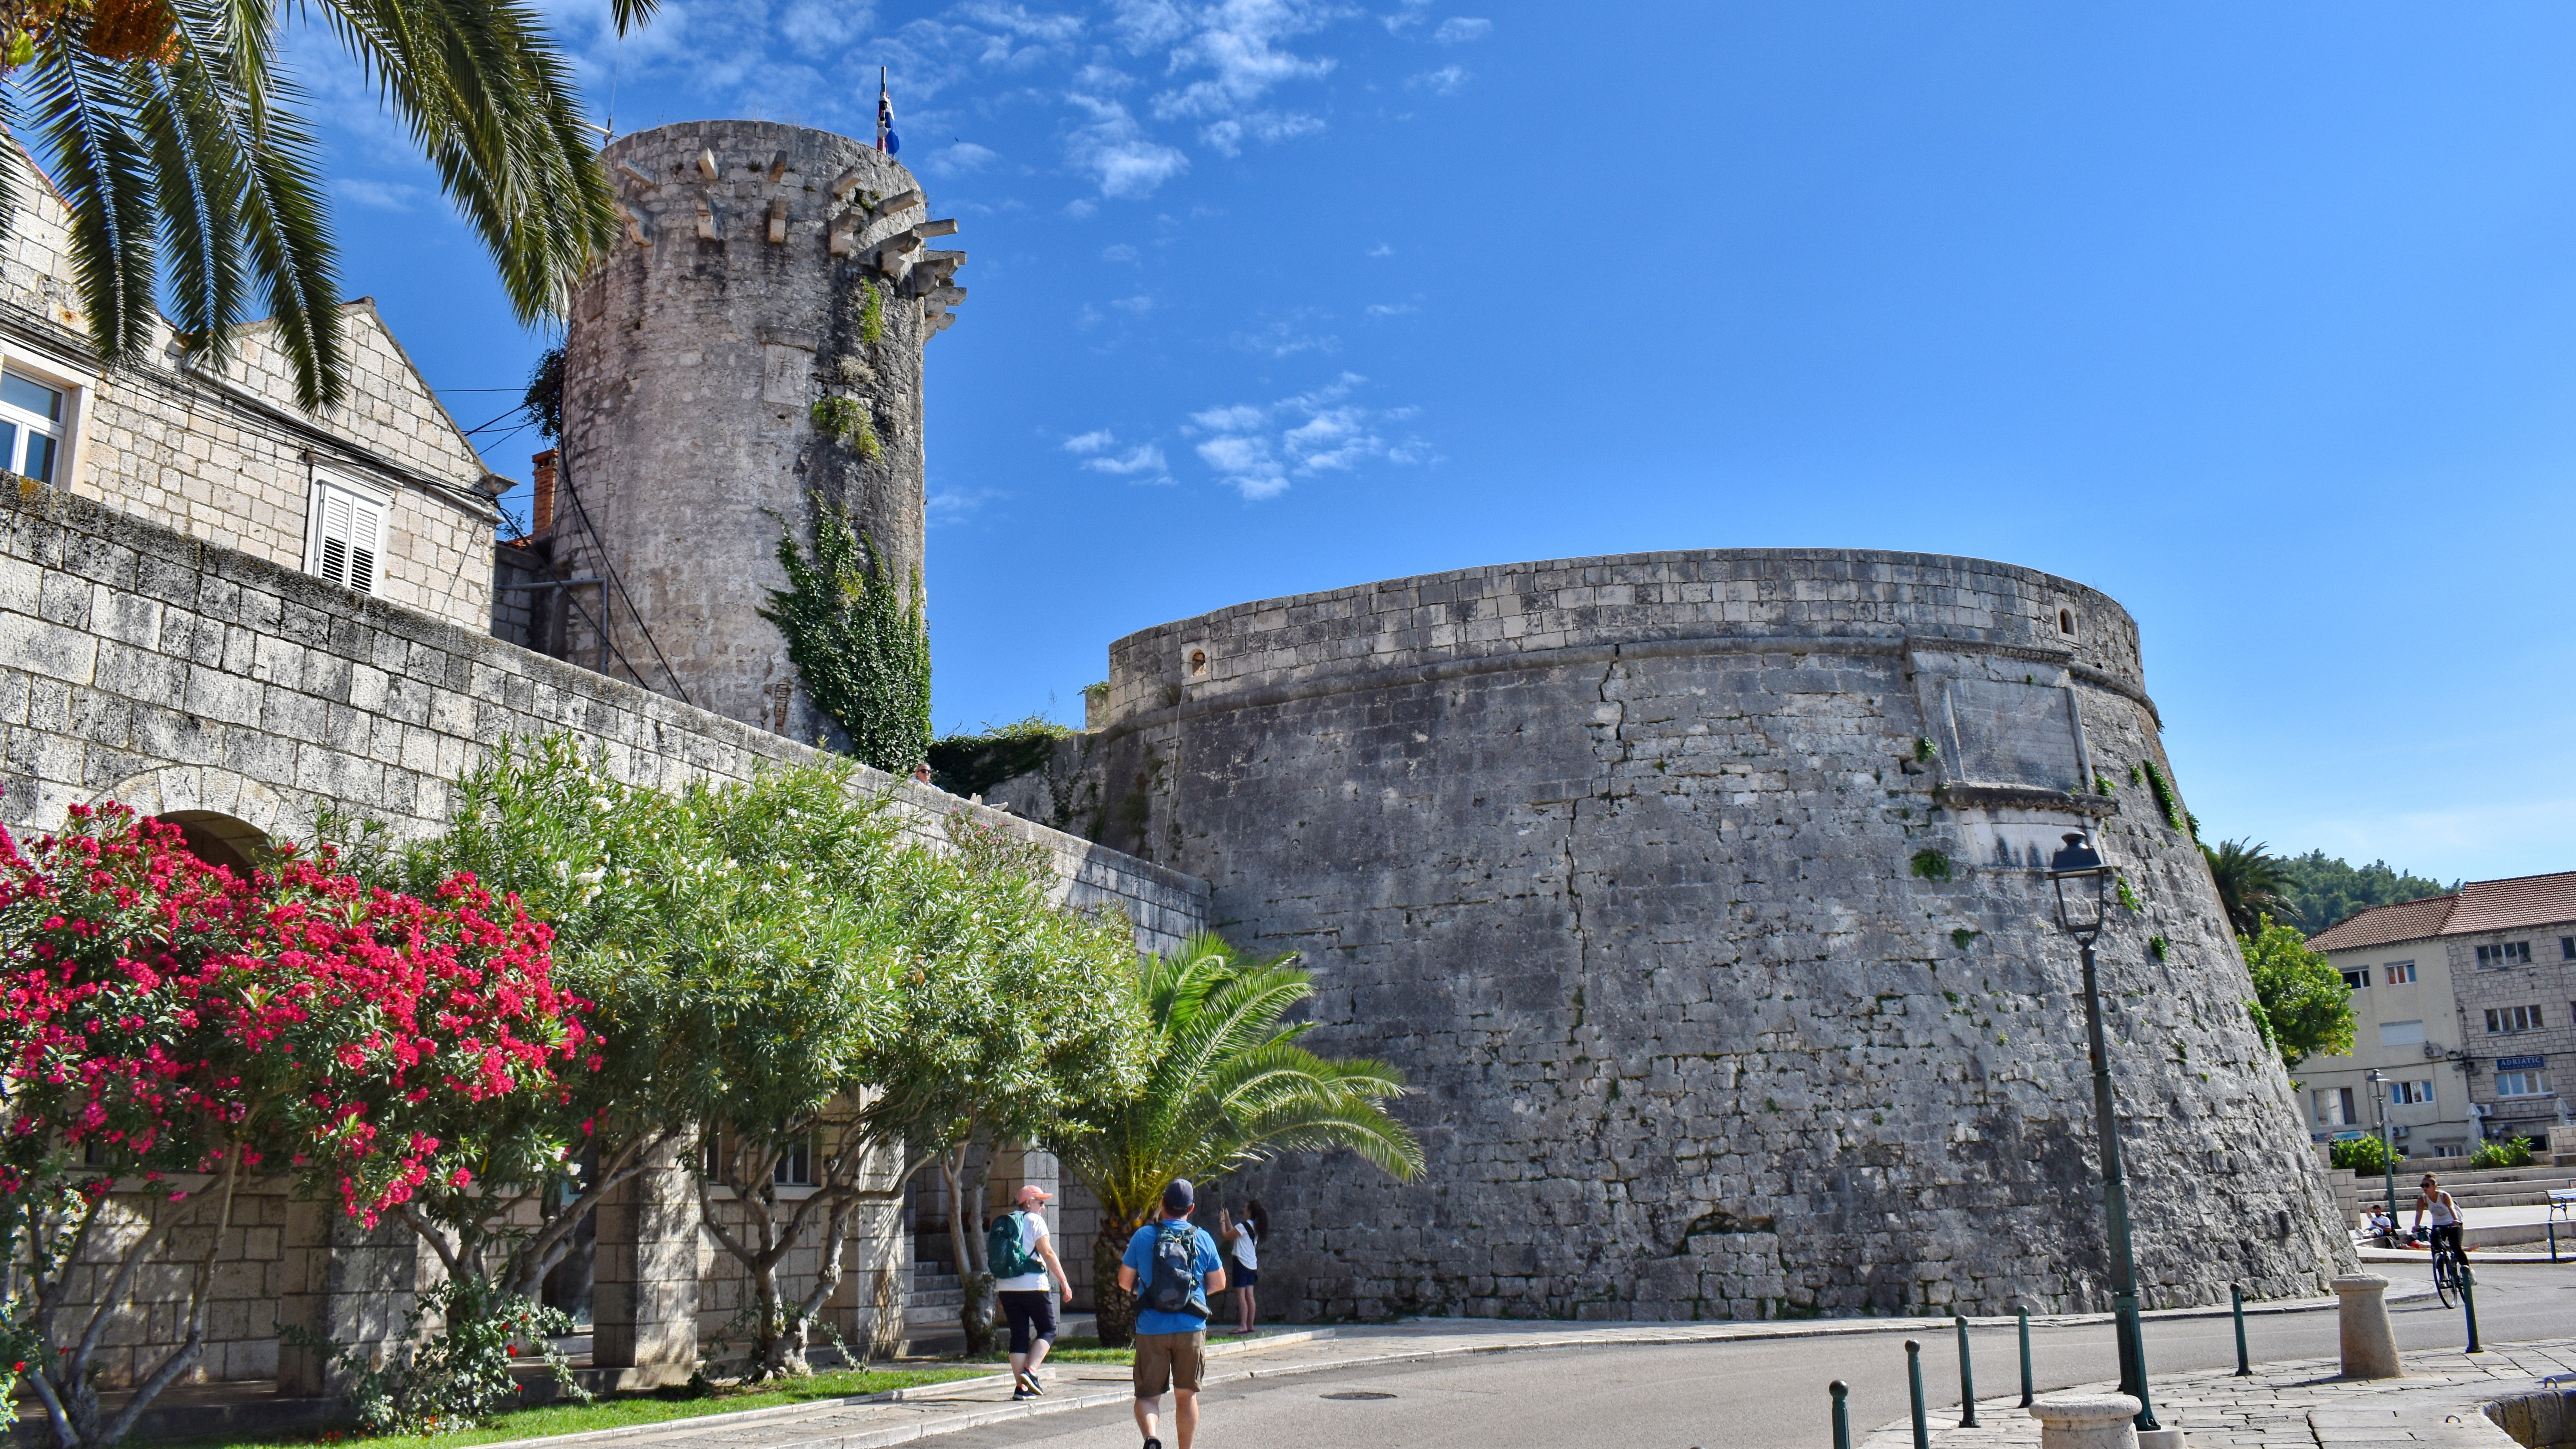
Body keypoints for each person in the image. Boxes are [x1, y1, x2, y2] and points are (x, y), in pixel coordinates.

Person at [1118, 1178, 1225, 1449]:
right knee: (1186, 1396)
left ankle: (1152, 1438)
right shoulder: (1202, 1238)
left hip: (1151, 1328)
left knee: (1148, 1396)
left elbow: (1123, 1280)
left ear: (1162, 1205)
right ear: (1191, 1208)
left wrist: (1146, 1292)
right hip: (1191, 1327)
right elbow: (1219, 1283)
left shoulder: (1144, 1236)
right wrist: (1192, 1296)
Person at [992, 1184, 1071, 1399]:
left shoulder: (1005, 1222)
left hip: (1007, 1286)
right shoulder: (1035, 1221)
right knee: (1048, 1329)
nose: (1043, 1208)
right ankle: (1031, 1372)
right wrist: (1063, 1281)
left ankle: (1022, 1389)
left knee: (1018, 1335)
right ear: (1029, 1203)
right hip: (1033, 1284)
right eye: (1041, 1202)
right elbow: (1047, 1252)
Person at [1217, 1200, 1267, 1336]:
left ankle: (1243, 1325)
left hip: (1241, 1264)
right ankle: (1250, 1325)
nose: (1244, 1210)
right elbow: (1235, 1232)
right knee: (1250, 1295)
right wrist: (1227, 1219)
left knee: (1241, 1296)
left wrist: (1221, 1221)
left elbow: (1227, 1236)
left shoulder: (1243, 1227)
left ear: (1250, 1212)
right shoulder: (1254, 1227)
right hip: (1252, 1265)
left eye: (1246, 1208)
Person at [2411, 1172, 2462, 1260]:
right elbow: (2419, 1213)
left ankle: (2466, 1269)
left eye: (2427, 1185)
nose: (2424, 1188)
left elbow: (2451, 1208)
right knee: (2435, 1248)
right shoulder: (2422, 1199)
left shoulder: (2444, 1196)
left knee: (2456, 1247)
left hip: (2452, 1222)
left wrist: (2456, 1220)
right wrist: (2417, 1226)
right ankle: (2441, 1271)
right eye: (2422, 1186)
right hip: (2438, 1224)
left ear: (2435, 1186)